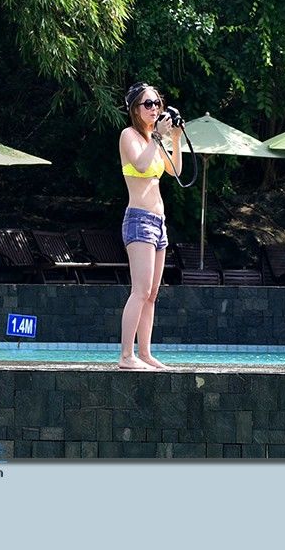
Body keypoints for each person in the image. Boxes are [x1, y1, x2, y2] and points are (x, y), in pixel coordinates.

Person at [117, 82, 183, 370]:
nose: (155, 108)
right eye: (148, 104)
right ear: (135, 108)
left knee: (153, 293)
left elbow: (175, 170)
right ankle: (126, 355)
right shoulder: (129, 136)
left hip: (159, 222)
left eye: (157, 103)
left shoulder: (152, 139)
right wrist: (157, 136)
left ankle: (144, 352)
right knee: (140, 290)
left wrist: (175, 139)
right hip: (139, 219)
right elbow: (142, 166)